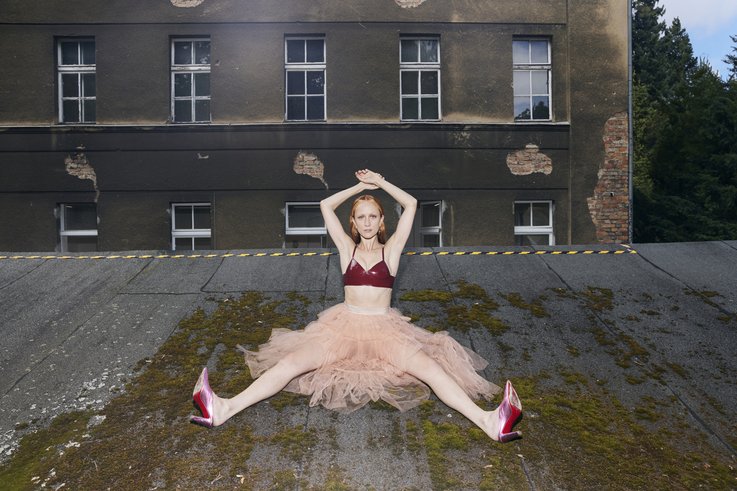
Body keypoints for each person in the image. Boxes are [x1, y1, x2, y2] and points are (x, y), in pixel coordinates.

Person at [190, 169, 522, 442]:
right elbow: (324, 205)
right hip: (343, 327)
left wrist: (380, 183)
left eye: (372, 216)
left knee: (433, 371)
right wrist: (358, 187)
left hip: (385, 331)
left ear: (381, 222)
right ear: (353, 222)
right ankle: (223, 408)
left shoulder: (390, 252)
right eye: (360, 217)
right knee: (291, 362)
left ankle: (489, 421)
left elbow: (411, 204)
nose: (366, 222)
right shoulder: (346, 250)